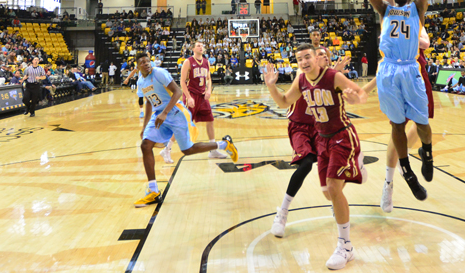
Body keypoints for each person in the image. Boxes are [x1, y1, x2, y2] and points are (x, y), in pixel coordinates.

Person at [262, 45, 367, 270]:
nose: (304, 61)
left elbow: (361, 94)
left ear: (318, 60)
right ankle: (356, 166)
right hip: (322, 138)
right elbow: (282, 102)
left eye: (307, 57)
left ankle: (345, 246)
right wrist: (271, 86)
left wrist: (354, 100)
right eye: (299, 59)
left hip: (341, 135)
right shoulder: (301, 82)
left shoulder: (333, 76)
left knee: (333, 187)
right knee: (329, 193)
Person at [364, 0, 431, 201]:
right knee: (397, 124)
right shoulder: (386, 10)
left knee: (422, 122)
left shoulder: (416, 11)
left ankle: (426, 153)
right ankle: (404, 173)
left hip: (410, 68)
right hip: (390, 70)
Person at [135, 51, 237, 208]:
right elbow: (149, 102)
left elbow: (178, 92)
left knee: (188, 150)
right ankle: (153, 191)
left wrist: (164, 112)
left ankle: (223, 145)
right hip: (160, 115)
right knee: (145, 145)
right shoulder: (141, 81)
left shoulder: (159, 73)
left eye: (147, 61)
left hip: (175, 113)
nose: (146, 63)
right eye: (142, 62)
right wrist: (144, 126)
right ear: (137, 66)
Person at [268, 41, 349, 236]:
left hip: (320, 128)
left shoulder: (330, 77)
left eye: (324, 56)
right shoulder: (302, 76)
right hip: (300, 127)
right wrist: (271, 86)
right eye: (319, 55)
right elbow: (285, 99)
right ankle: (283, 212)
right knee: (305, 164)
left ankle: (336, 203)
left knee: (334, 173)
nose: (322, 58)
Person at [180, 41, 226, 160]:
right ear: (193, 49)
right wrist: (188, 97)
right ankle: (167, 148)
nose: (201, 47)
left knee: (210, 120)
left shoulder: (206, 62)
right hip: (191, 95)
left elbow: (209, 78)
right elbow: (182, 82)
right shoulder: (188, 61)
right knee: (184, 123)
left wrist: (209, 90)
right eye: (198, 46)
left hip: (202, 95)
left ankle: (213, 149)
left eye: (202, 46)